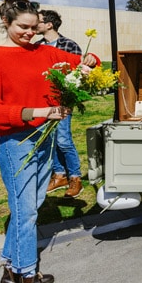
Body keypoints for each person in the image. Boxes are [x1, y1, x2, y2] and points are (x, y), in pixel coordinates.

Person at [0, 0, 98, 283]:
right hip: (14, 143)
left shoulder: (46, 52)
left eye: (32, 27)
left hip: (44, 140)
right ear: (7, 25)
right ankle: (28, 281)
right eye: (20, 28)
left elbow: (85, 61)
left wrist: (87, 65)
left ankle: (10, 273)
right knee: (25, 213)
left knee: (30, 206)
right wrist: (38, 111)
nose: (27, 33)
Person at [34, 10, 83, 198]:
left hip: (63, 101)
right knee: (50, 140)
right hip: (44, 102)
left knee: (63, 140)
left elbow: (78, 75)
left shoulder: (69, 45)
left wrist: (70, 100)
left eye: (38, 21)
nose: (34, 25)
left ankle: (75, 178)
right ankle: (59, 174)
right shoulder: (36, 47)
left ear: (49, 24)